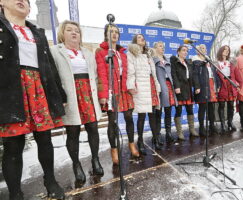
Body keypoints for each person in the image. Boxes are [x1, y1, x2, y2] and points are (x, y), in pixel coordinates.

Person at [0, 0, 65, 199]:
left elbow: (49, 64)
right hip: (10, 89)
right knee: (13, 145)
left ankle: (50, 180)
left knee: (45, 139)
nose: (22, 1)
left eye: (27, 1)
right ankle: (15, 193)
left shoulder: (38, 33)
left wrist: (60, 94)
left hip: (38, 87)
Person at [50, 20, 104, 184]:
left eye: (77, 31)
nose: (74, 33)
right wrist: (59, 97)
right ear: (62, 33)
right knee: (73, 131)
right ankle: (76, 164)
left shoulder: (87, 52)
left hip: (88, 94)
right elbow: (53, 76)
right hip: (70, 95)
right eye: (69, 30)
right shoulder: (55, 51)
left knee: (93, 128)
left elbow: (95, 76)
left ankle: (95, 159)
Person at [95, 24, 139, 165]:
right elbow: (101, 74)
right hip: (111, 91)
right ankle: (114, 150)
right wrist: (103, 94)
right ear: (105, 34)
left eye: (116, 32)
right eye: (111, 32)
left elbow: (129, 73)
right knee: (112, 122)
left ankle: (132, 144)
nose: (114, 34)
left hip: (124, 90)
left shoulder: (123, 54)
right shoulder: (101, 52)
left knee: (129, 118)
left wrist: (132, 86)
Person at [127, 34, 162, 154]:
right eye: (139, 37)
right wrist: (131, 85)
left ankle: (155, 138)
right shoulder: (132, 54)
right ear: (135, 41)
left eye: (143, 37)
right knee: (141, 116)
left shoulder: (148, 54)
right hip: (141, 86)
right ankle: (140, 141)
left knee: (152, 114)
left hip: (151, 85)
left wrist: (157, 86)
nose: (142, 39)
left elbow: (153, 73)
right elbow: (130, 72)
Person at [171, 45, 198, 140]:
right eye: (183, 50)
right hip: (180, 88)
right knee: (178, 111)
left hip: (188, 88)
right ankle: (179, 132)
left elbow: (192, 76)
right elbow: (174, 75)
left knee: (190, 109)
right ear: (178, 52)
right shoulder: (174, 61)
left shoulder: (188, 62)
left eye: (186, 51)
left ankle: (192, 129)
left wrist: (196, 86)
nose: (185, 52)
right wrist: (177, 86)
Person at [192, 44, 220, 136]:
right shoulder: (195, 60)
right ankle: (201, 128)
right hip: (202, 85)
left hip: (211, 84)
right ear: (197, 50)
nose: (204, 50)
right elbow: (195, 75)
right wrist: (197, 87)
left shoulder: (209, 60)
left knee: (211, 107)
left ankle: (212, 125)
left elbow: (214, 73)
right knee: (203, 107)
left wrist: (217, 84)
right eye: (202, 48)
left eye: (205, 48)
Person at [153, 42, 177, 143]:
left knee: (168, 111)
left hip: (168, 86)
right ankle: (157, 135)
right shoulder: (153, 60)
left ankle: (168, 133)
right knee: (158, 113)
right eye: (160, 46)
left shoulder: (167, 60)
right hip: (159, 87)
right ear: (155, 48)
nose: (162, 48)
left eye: (163, 46)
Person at [215, 45, 239, 133]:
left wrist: (238, 84)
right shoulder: (216, 63)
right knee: (221, 105)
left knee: (231, 105)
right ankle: (222, 124)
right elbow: (214, 76)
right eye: (225, 50)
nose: (226, 51)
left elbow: (236, 74)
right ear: (221, 51)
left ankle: (230, 122)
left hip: (230, 84)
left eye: (228, 50)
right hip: (222, 84)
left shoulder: (231, 62)